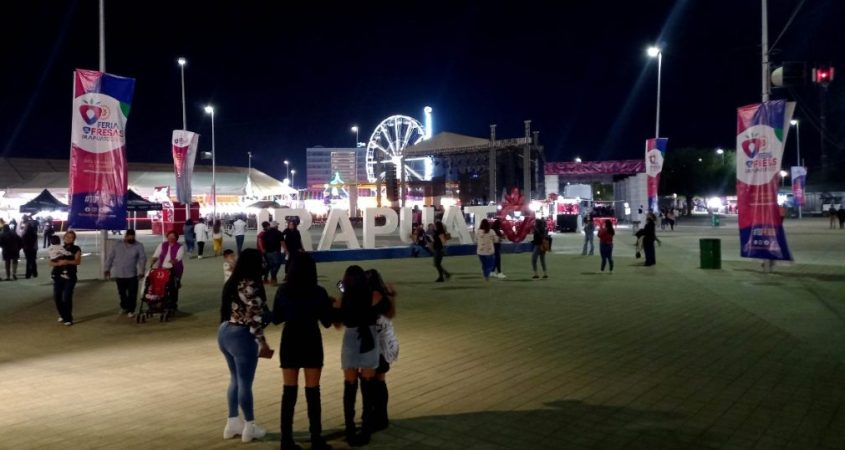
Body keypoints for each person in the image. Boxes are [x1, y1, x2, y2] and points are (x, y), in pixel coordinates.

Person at [272, 253, 335, 450]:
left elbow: (276, 318)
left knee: (289, 392)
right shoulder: (319, 292)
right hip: (311, 339)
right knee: (313, 391)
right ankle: (316, 437)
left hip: (290, 339)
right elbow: (327, 322)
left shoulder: (283, 290)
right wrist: (330, 305)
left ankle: (286, 440)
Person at [218, 248, 273, 443]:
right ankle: (250, 426)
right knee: (245, 383)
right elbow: (254, 319)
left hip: (225, 332)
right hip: (242, 336)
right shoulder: (251, 286)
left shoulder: (233, 281)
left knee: (235, 379)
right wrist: (263, 343)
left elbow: (226, 310)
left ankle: (232, 421)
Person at [337, 265, 390, 446]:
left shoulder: (345, 297)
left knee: (349, 387)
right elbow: (387, 310)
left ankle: (350, 430)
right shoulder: (374, 295)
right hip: (369, 340)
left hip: (351, 340)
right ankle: (366, 430)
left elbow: (338, 321)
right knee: (368, 389)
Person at [365, 269, 396, 433]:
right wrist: (391, 295)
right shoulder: (383, 297)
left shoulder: (363, 297)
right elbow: (391, 314)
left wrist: (344, 288)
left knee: (369, 383)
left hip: (371, 346)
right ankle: (382, 416)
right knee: (381, 381)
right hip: (385, 346)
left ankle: (371, 415)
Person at [104, 229, 147, 317]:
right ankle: (124, 307)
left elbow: (142, 259)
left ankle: (131, 310)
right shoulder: (117, 245)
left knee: (132, 293)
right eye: (129, 237)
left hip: (132, 274)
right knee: (122, 293)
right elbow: (110, 257)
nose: (131, 239)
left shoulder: (139, 246)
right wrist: (107, 269)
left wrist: (141, 271)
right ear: (125, 236)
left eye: (133, 237)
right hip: (119, 274)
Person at [50, 231, 81, 325]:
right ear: (63, 237)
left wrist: (67, 262)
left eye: (71, 237)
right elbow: (50, 262)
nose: (68, 238)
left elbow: (77, 261)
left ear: (73, 239)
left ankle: (68, 318)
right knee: (57, 297)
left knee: (67, 297)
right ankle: (63, 314)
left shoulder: (76, 248)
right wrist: (58, 263)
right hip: (58, 275)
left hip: (70, 276)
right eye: (67, 236)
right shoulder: (58, 247)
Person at [151, 231, 185, 310]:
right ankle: (160, 302)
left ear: (176, 238)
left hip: (174, 269)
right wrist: (153, 260)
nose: (171, 238)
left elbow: (179, 257)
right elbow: (156, 254)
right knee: (160, 286)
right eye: (170, 236)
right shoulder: (162, 245)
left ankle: (173, 303)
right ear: (167, 237)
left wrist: (174, 260)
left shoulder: (179, 247)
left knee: (173, 287)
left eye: (173, 237)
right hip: (162, 269)